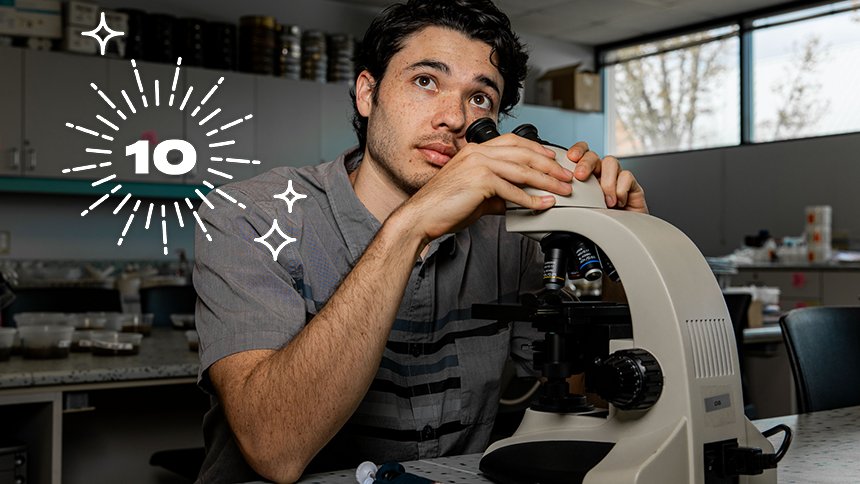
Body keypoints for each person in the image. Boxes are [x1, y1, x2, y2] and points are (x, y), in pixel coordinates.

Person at [193, 1, 647, 483]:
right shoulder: (249, 215)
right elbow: (274, 447)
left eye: (479, 98)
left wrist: (622, 248)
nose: (453, 118)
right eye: (426, 81)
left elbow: (589, 398)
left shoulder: (509, 236)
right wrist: (411, 227)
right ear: (367, 94)